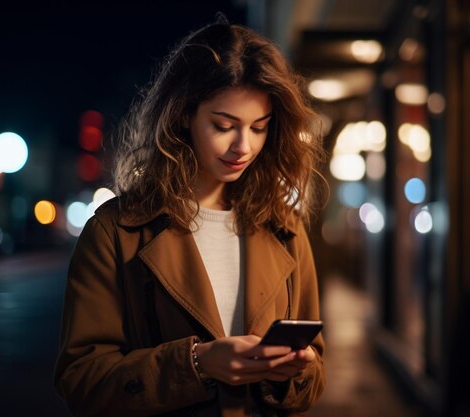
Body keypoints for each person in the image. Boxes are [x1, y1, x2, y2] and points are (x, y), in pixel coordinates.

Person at [53, 17, 326, 417]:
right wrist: (197, 363)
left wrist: (290, 372)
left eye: (259, 128)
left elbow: (315, 376)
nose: (243, 146)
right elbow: (82, 381)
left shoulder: (283, 226)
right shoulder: (117, 230)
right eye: (223, 125)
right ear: (183, 114)